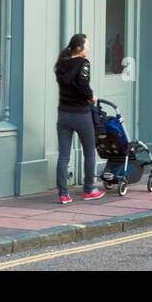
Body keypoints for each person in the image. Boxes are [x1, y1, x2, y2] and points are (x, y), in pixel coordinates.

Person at [53, 34, 104, 205]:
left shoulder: (61, 64)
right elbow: (83, 86)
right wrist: (92, 97)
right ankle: (89, 190)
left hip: (63, 115)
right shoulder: (83, 63)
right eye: (87, 45)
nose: (88, 48)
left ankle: (63, 194)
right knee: (89, 152)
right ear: (79, 48)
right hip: (81, 114)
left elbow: (71, 85)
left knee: (63, 156)